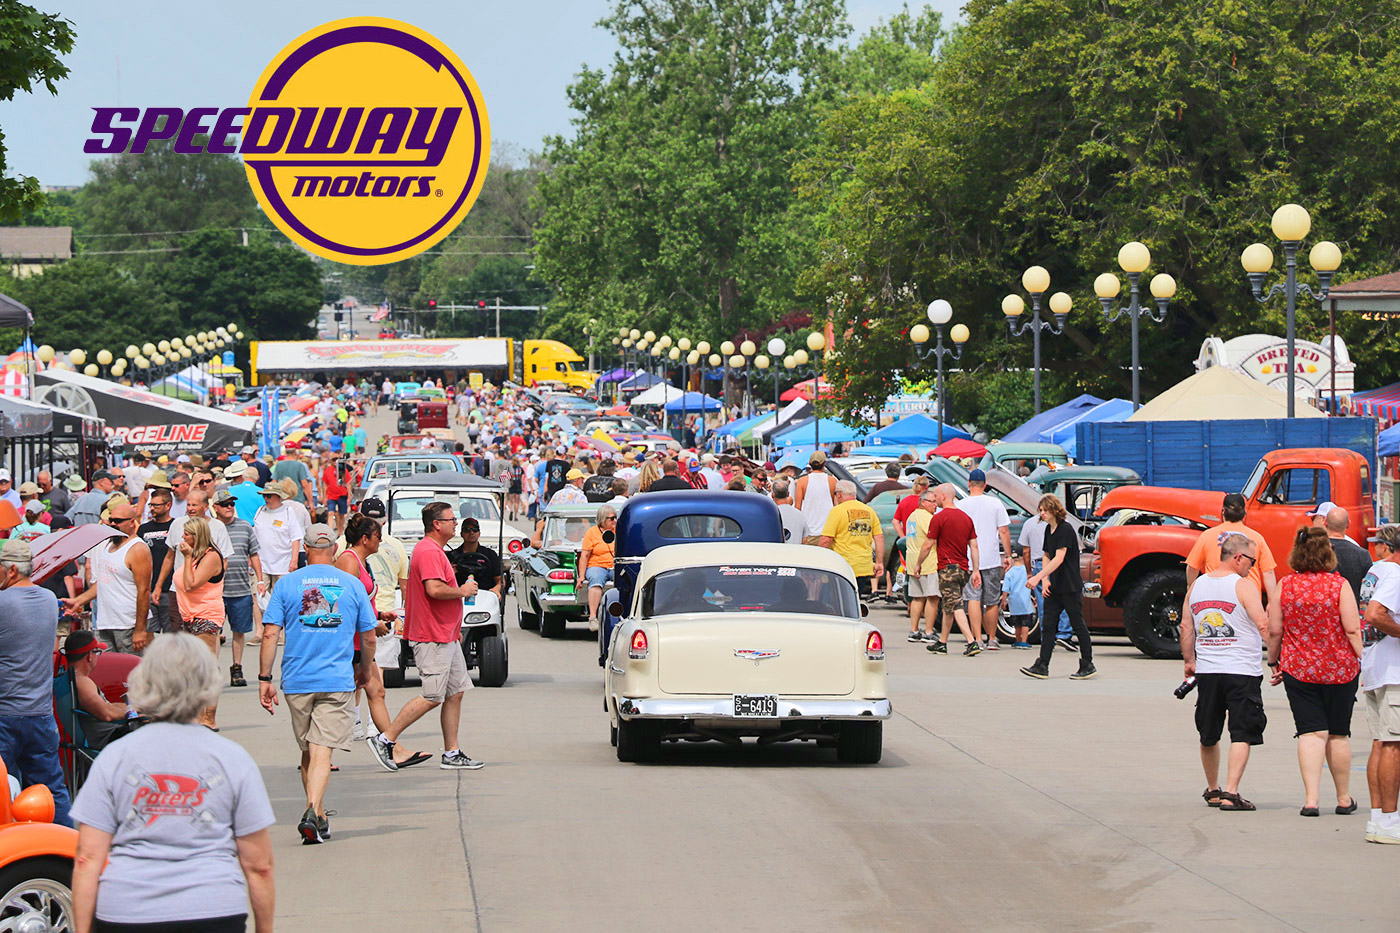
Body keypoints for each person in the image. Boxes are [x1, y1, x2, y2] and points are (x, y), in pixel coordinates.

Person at [72, 634, 276, 931]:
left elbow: (87, 858)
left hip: (128, 911)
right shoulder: (232, 759)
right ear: (207, 684)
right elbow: (259, 866)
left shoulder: (115, 757)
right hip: (212, 909)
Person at [259, 523, 378, 844]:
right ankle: (313, 808)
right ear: (335, 550)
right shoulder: (351, 584)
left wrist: (264, 678)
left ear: (305, 550)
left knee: (309, 750)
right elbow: (368, 636)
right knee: (321, 750)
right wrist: (364, 669)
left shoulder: (287, 585)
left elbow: (270, 633)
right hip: (336, 678)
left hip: (297, 680)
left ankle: (319, 814)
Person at [368, 501, 486, 773]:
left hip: (445, 633)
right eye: (451, 519)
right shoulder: (429, 551)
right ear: (437, 524)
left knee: (455, 692)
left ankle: (452, 752)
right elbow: (433, 589)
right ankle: (386, 739)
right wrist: (463, 590)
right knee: (433, 695)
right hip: (432, 635)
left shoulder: (434, 550)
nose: (456, 524)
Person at [1266, 526, 1363, 817]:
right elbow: (1352, 627)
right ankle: (1344, 798)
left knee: (1310, 732)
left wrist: (1274, 662)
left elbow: (1274, 630)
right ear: (1328, 553)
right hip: (1340, 670)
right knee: (1338, 734)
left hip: (1299, 669)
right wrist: (1363, 659)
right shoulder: (1340, 585)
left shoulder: (1287, 585)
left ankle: (1311, 800)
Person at [1178, 531, 1269, 812]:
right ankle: (1231, 792)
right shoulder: (1243, 586)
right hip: (1241, 670)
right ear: (1238, 557)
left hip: (1208, 670)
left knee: (1209, 731)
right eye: (1251, 561)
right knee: (1242, 731)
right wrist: (1278, 657)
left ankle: (1213, 789)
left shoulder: (1197, 586)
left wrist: (1189, 660)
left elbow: (1186, 626)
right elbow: (1263, 625)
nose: (1252, 567)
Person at [0, 539, 71, 826]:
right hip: (40, 713)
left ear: (12, 570)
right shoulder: (47, 600)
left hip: (5, 714)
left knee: (5, 792)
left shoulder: (3, 602)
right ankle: (69, 847)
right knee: (53, 789)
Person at [1021, 495, 1096, 681]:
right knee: (1048, 625)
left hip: (1069, 586)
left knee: (1077, 624)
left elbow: (1059, 558)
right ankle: (1042, 664)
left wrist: (1037, 577)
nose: (1042, 513)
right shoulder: (1049, 529)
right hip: (1054, 586)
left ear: (1055, 510)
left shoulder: (1065, 529)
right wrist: (1045, 579)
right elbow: (1046, 554)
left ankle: (1087, 663)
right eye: (1041, 510)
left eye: (1045, 510)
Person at [64, 501, 153, 655]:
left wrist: (140, 629)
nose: (113, 524)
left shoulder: (137, 549)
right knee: (108, 673)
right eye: (111, 520)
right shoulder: (109, 545)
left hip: (128, 624)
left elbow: (144, 591)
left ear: (132, 523)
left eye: (118, 521)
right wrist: (78, 601)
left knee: (131, 673)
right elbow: (103, 583)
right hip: (105, 622)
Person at [1361, 524, 1400, 843]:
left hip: (1374, 665)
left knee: (1380, 742)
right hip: (1392, 670)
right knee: (1392, 745)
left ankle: (1377, 819)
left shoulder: (1374, 572)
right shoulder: (1396, 575)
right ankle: (1389, 820)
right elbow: (1375, 614)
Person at [1184, 493, 1278, 620]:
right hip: (1248, 601)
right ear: (1245, 513)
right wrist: (1271, 603)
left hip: (1216, 601)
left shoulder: (1207, 536)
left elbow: (1192, 567)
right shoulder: (1257, 538)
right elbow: (1268, 573)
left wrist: (1190, 588)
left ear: (1223, 511)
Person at [174, 516, 226, 730]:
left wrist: (186, 558)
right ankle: (197, 712)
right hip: (190, 616)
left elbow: (190, 584)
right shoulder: (196, 556)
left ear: (197, 536)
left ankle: (209, 717)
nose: (183, 537)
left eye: (187, 534)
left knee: (207, 667)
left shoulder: (211, 556)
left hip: (206, 616)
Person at [918, 484, 981, 655]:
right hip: (963, 568)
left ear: (944, 497)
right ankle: (942, 642)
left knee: (956, 604)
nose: (935, 499)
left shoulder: (939, 518)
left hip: (947, 567)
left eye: (936, 496)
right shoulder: (966, 518)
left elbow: (928, 544)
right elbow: (974, 546)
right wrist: (975, 570)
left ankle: (971, 642)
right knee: (949, 604)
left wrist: (918, 563)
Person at [214, 490, 263, 689]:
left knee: (239, 631)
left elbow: (254, 554)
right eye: (224, 504)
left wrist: (260, 580)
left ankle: (237, 667)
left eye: (231, 504)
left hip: (241, 587)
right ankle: (212, 670)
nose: (229, 507)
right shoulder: (211, 528)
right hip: (215, 589)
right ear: (215, 507)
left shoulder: (244, 527)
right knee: (214, 632)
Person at [958, 469, 1012, 651]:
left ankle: (977, 638)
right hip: (991, 558)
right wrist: (1009, 555)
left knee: (973, 598)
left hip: (969, 559)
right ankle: (992, 638)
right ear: (985, 485)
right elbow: (1004, 531)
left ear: (968, 484)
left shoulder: (961, 505)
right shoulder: (995, 503)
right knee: (991, 600)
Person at [61, 630, 135, 751]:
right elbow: (106, 714)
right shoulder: (82, 681)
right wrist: (134, 714)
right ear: (90, 656)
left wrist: (133, 708)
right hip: (108, 738)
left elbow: (107, 706)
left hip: (107, 736)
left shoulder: (71, 678)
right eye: (97, 652)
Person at [819, 480, 884, 598]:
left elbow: (826, 540)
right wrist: (879, 562)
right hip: (864, 565)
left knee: (838, 601)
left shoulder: (837, 511)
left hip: (842, 565)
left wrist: (820, 559)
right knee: (855, 599)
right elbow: (879, 537)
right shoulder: (869, 511)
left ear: (839, 494)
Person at [253, 482, 305, 593]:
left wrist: (294, 561)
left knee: (280, 596)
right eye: (264, 496)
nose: (266, 499)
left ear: (278, 496)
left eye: (269, 496)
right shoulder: (260, 511)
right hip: (262, 564)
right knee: (258, 598)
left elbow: (295, 538)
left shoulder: (287, 512)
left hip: (283, 564)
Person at [138, 488, 177, 636]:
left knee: (171, 633)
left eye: (156, 505)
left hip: (170, 589)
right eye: (151, 505)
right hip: (147, 589)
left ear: (168, 506)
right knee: (148, 632)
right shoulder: (143, 529)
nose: (152, 508)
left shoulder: (176, 526)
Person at [905, 489, 940, 643]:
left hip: (912, 561)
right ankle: (928, 631)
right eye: (932, 502)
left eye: (936, 501)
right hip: (927, 562)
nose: (935, 505)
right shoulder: (928, 518)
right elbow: (930, 541)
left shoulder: (912, 516)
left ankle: (914, 630)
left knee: (917, 598)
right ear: (923, 502)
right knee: (932, 598)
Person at [578, 505, 617, 628]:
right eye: (611, 518)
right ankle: (593, 617)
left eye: (616, 518)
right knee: (595, 579)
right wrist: (581, 576)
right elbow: (584, 556)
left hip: (615, 565)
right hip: (597, 565)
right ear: (602, 520)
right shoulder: (592, 532)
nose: (615, 521)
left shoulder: (620, 531)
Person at [448, 516, 503, 599]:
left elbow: (500, 580)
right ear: (462, 534)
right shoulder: (452, 556)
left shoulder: (490, 554)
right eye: (467, 530)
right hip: (459, 596)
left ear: (479, 533)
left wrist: (496, 589)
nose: (471, 533)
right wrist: (451, 573)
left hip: (485, 595)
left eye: (475, 530)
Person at [1325, 507, 1370, 604]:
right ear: (1348, 524)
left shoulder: (1314, 552)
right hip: (1352, 610)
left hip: (1324, 612)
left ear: (1325, 523)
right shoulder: (1363, 554)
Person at [793, 451, 838, 545]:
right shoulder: (832, 481)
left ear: (810, 464)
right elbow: (836, 506)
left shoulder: (802, 481)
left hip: (808, 531)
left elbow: (797, 508)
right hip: (828, 531)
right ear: (824, 464)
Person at [1002, 545, 1035, 648]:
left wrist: (1004, 601)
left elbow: (1005, 589)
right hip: (1026, 603)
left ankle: (1017, 640)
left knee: (1017, 624)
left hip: (1014, 603)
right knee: (1025, 624)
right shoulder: (1027, 571)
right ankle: (1024, 642)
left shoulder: (1009, 573)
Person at [219, 459, 263, 524]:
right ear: (258, 477)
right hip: (256, 526)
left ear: (243, 476)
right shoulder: (262, 492)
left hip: (237, 525)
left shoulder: (231, 490)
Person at [321, 450, 350, 535]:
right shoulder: (327, 470)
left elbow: (348, 483)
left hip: (342, 494)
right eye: (334, 459)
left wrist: (349, 497)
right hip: (331, 495)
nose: (336, 461)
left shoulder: (344, 470)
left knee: (341, 515)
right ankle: (330, 532)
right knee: (330, 513)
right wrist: (324, 496)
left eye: (338, 459)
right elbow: (325, 484)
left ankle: (340, 532)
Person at [771, 479, 806, 544]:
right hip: (795, 552)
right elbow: (805, 540)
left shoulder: (769, 515)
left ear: (772, 495)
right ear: (788, 494)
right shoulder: (800, 515)